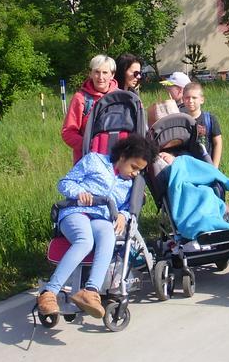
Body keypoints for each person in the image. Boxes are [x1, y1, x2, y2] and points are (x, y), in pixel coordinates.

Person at [37, 134, 158, 319]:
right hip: (76, 211)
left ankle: (90, 291)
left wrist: (123, 216)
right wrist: (79, 192)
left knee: (108, 235)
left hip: (102, 217)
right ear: (123, 156)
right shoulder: (94, 160)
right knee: (85, 241)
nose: (135, 173)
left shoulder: (129, 183)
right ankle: (49, 292)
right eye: (134, 167)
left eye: (139, 171)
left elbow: (128, 207)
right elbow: (64, 183)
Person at [62, 54, 118, 163]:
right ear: (90, 74)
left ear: (112, 75)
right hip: (88, 162)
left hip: (116, 162)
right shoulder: (81, 98)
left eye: (105, 72)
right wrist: (90, 145)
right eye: (96, 72)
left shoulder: (121, 98)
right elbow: (68, 132)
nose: (100, 77)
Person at [182, 82, 223, 168]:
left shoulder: (210, 119)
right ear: (183, 99)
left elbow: (218, 143)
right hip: (188, 167)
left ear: (202, 100)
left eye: (194, 98)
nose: (190, 101)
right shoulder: (180, 120)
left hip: (207, 166)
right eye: (187, 98)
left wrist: (215, 167)